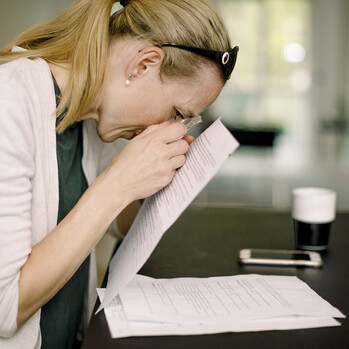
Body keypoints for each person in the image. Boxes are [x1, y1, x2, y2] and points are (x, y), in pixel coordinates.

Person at [0, 0, 238, 347]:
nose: (170, 127)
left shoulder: (92, 114)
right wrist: (119, 183)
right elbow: (6, 307)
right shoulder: (10, 101)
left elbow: (113, 222)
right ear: (144, 64)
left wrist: (157, 185)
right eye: (176, 112)